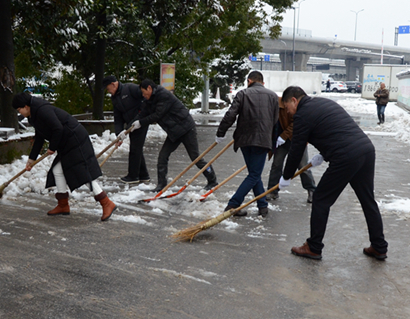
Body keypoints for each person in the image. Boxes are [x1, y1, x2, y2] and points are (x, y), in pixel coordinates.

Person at [280, 86, 388, 261]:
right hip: (366, 149)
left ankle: (313, 247)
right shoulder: (324, 102)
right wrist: (323, 154)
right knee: (368, 200)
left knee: (321, 199)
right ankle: (379, 246)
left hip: (346, 156)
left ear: (294, 100)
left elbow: (296, 149)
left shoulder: (302, 114)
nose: (289, 113)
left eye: (287, 108)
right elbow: (336, 130)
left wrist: (286, 176)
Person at [12, 92, 116, 221]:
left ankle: (106, 202)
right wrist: (31, 159)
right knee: (57, 170)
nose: (20, 113)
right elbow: (39, 137)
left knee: (81, 172)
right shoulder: (33, 115)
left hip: (75, 140)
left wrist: (52, 147)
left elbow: (57, 128)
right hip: (66, 142)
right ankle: (63, 205)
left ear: (26, 106)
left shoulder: (42, 110)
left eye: (19, 110)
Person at [134, 79, 218, 193]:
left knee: (196, 158)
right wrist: (129, 128)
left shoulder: (163, 95)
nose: (144, 96)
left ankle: (212, 180)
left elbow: (157, 115)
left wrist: (141, 123)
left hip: (186, 129)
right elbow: (143, 113)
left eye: (144, 92)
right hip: (174, 131)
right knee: (163, 156)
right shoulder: (150, 99)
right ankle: (161, 185)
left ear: (149, 88)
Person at [215, 71, 278, 217]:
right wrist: (273, 144)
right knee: (254, 174)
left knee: (253, 174)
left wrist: (221, 132)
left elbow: (231, 114)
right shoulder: (273, 96)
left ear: (249, 81)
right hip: (262, 141)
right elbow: (275, 122)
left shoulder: (242, 94)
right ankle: (233, 204)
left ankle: (262, 206)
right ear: (262, 82)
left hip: (244, 140)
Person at [266, 96, 317, 204]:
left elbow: (296, 123)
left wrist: (283, 136)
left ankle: (312, 190)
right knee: (276, 164)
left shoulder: (288, 105)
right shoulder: (270, 108)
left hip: (297, 140)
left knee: (303, 166)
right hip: (280, 141)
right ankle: (272, 190)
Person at [102, 75, 151, 184]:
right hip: (131, 125)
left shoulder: (130, 88)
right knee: (136, 148)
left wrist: (140, 116)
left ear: (113, 84)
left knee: (135, 148)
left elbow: (146, 100)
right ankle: (143, 175)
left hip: (140, 122)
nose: (108, 91)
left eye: (108, 88)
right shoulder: (114, 98)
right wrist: (119, 133)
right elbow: (118, 117)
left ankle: (133, 176)